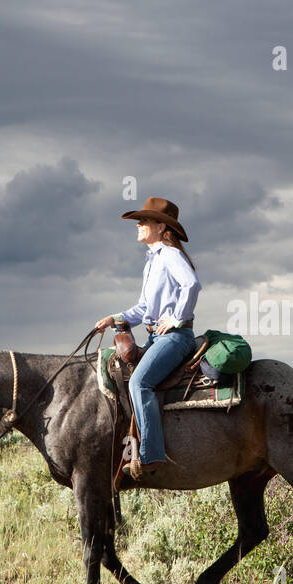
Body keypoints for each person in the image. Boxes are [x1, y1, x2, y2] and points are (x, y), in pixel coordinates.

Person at [94, 197, 201, 478]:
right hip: (157, 337)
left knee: (141, 383)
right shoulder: (153, 260)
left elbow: (192, 284)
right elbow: (143, 309)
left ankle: (150, 454)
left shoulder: (169, 254)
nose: (138, 225)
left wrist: (177, 318)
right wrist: (116, 319)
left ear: (161, 226)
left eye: (144, 220)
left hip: (175, 337)